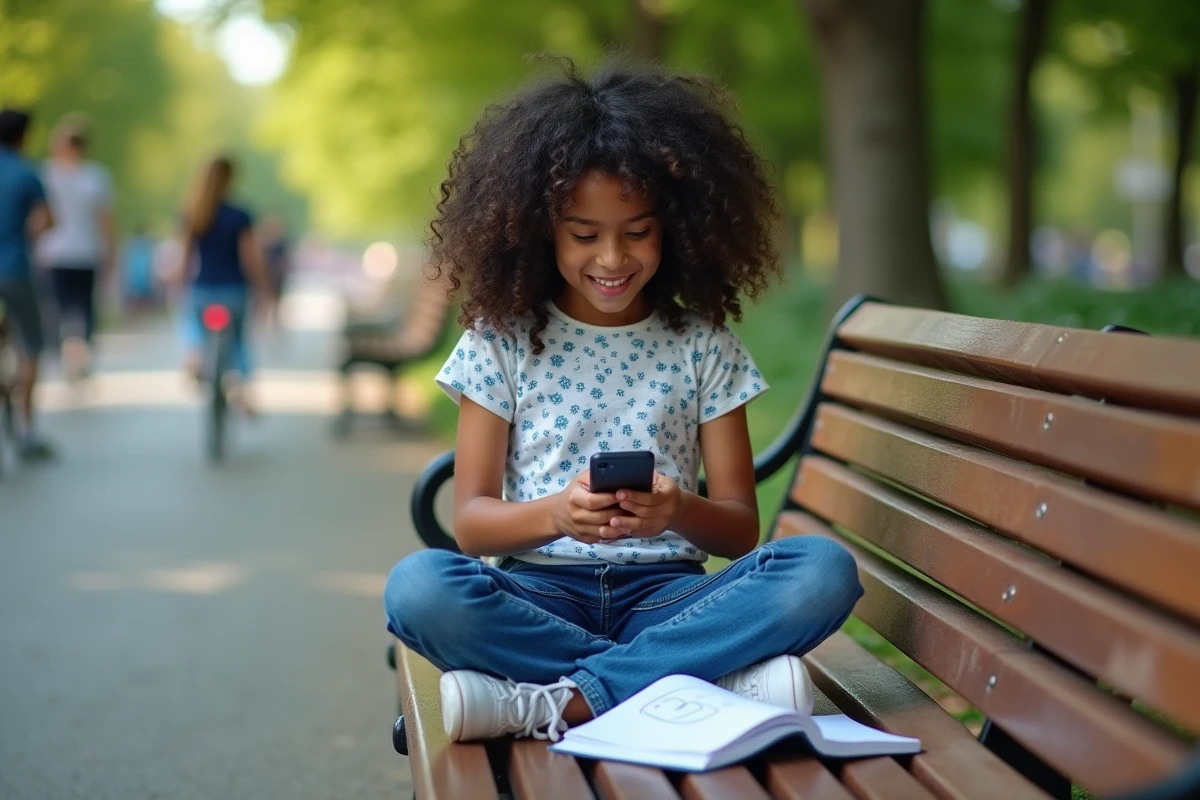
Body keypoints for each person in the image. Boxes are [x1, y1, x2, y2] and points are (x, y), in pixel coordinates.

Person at [382, 59, 862, 744]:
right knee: (420, 589)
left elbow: (737, 530)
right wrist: (558, 513)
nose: (612, 258)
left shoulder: (705, 348)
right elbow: (473, 525)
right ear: (538, 229)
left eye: (637, 232)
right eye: (584, 235)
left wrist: (676, 509)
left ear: (676, 227)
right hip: (537, 595)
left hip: (671, 601)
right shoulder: (501, 344)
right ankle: (691, 685)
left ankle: (562, 702)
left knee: (822, 572)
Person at [177, 156, 273, 414]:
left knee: (193, 326)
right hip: (234, 290)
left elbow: (184, 256)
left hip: (202, 289)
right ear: (231, 179)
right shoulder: (239, 214)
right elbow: (252, 259)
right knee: (239, 340)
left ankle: (196, 359)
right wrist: (265, 289)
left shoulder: (192, 212)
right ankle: (240, 388)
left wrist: (177, 283)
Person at [36, 113, 116, 382]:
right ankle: (80, 353)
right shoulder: (96, 176)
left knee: (58, 309)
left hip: (54, 254)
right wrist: (110, 254)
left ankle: (67, 354)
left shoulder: (45, 174)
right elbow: (106, 221)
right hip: (85, 253)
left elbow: (38, 217)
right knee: (83, 309)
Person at [0, 109, 55, 459]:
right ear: (24, 136)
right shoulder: (26, 172)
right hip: (15, 270)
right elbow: (47, 220)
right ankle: (27, 430)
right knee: (32, 344)